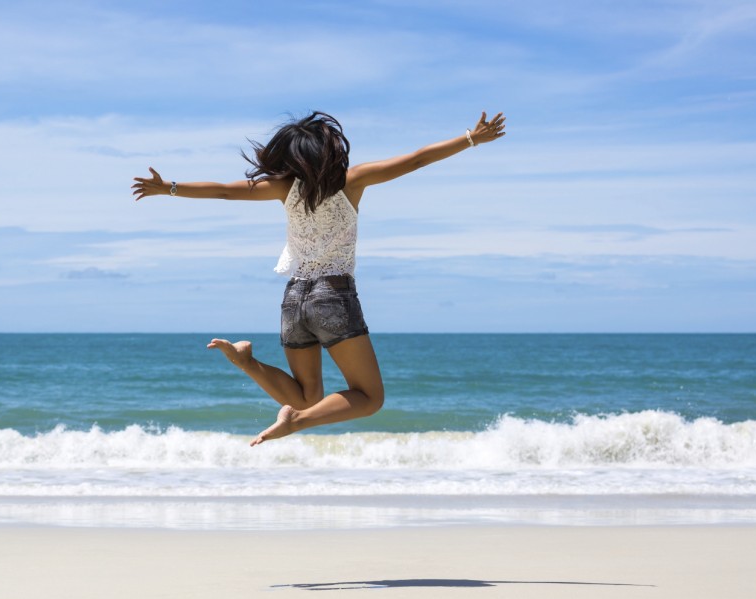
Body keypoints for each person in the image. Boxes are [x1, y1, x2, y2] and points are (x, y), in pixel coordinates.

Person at [132, 110, 506, 446]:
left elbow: (225, 192)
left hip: (294, 298)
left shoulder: (283, 188)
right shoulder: (350, 180)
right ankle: (296, 422)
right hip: (333, 295)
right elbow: (416, 159)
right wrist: (471, 138)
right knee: (369, 398)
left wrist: (169, 189)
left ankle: (248, 362)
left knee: (307, 396)